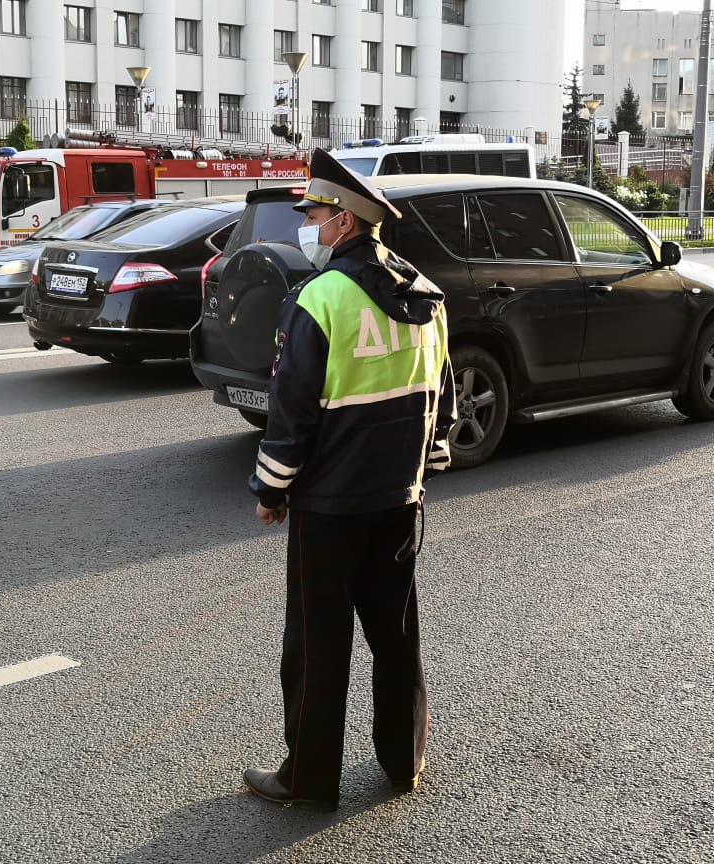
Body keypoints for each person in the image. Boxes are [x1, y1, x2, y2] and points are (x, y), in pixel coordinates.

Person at [243, 148, 457, 810]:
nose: (305, 225)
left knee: (317, 647)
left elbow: (293, 409)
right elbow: (441, 400)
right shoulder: (425, 293)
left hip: (330, 508)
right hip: (400, 500)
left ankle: (309, 780)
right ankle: (403, 763)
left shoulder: (322, 296)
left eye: (312, 214)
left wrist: (272, 491)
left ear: (343, 222)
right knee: (395, 636)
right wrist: (423, 468)